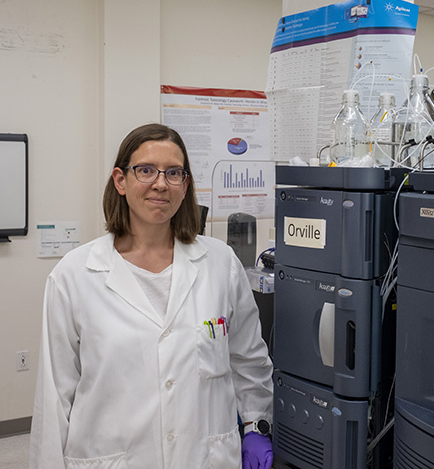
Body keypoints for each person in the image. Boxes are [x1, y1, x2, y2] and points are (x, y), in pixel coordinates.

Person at [30, 123, 274, 468]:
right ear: (120, 180)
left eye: (174, 173)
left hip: (204, 458)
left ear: (185, 184)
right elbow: (54, 399)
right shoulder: (74, 275)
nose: (161, 183)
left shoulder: (221, 264)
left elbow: (249, 361)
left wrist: (255, 425)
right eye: (145, 170)